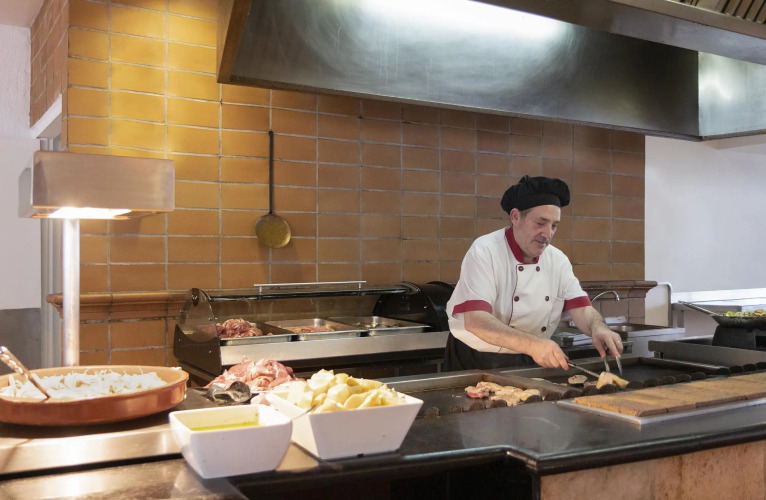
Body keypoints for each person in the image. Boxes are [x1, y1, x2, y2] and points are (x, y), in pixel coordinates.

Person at [444, 175, 623, 371]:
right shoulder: (485, 251)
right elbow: (476, 321)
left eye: (554, 225)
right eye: (540, 223)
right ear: (515, 217)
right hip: (475, 359)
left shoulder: (557, 260)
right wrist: (533, 345)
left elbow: (581, 308)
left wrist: (598, 328)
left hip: (530, 354)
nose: (548, 234)